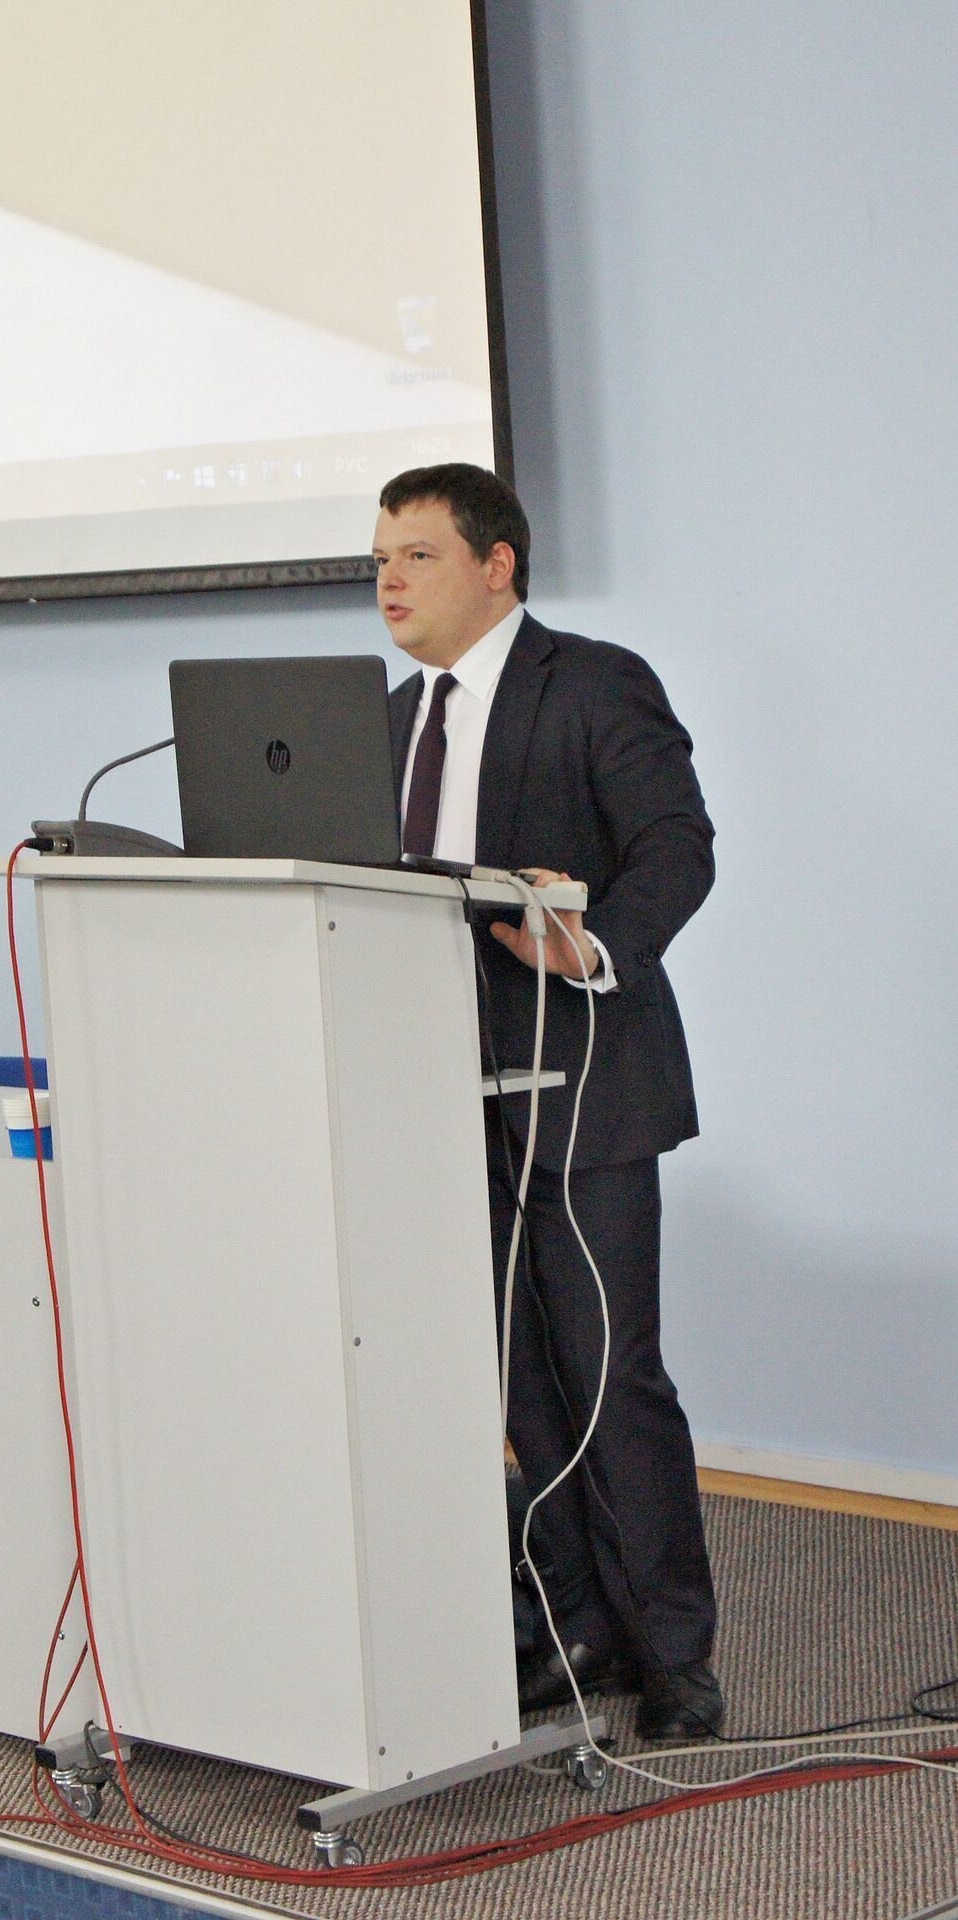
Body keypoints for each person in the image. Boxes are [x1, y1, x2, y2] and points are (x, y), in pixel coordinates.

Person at [373, 463, 723, 1741]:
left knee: (612, 1378)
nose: (390, 583)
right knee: (521, 1388)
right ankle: (576, 1630)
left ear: (497, 563)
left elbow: (676, 844)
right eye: (379, 561)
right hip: (438, 1090)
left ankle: (674, 1658)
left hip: (585, 1084)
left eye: (416, 556)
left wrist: (596, 943)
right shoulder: (389, 722)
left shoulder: (594, 682)